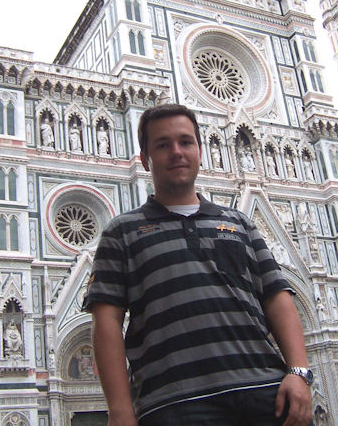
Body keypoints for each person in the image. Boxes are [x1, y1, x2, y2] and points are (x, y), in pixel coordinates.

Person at [83, 104, 313, 426]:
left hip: (265, 394)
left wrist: (299, 372)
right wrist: (120, 410)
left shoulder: (239, 223)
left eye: (185, 142)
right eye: (163, 145)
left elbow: (276, 297)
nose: (176, 152)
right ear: (145, 158)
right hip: (174, 405)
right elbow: (106, 322)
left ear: (201, 152)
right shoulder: (121, 232)